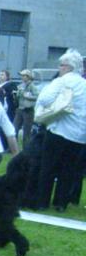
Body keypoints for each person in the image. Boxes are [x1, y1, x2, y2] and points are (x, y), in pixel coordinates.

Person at [35, 49, 86, 212]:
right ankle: (61, 203)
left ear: (67, 67)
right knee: (68, 170)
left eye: (61, 65)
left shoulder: (61, 81)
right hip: (79, 135)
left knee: (48, 167)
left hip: (58, 130)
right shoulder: (84, 85)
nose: (59, 68)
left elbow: (44, 99)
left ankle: (42, 201)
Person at [13, 69, 38, 147]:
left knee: (26, 131)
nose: (22, 77)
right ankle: (13, 147)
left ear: (29, 77)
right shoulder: (20, 86)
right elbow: (18, 97)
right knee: (15, 128)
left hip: (28, 110)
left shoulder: (33, 86)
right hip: (20, 109)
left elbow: (37, 96)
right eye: (22, 75)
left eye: (24, 75)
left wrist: (28, 96)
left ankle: (26, 147)